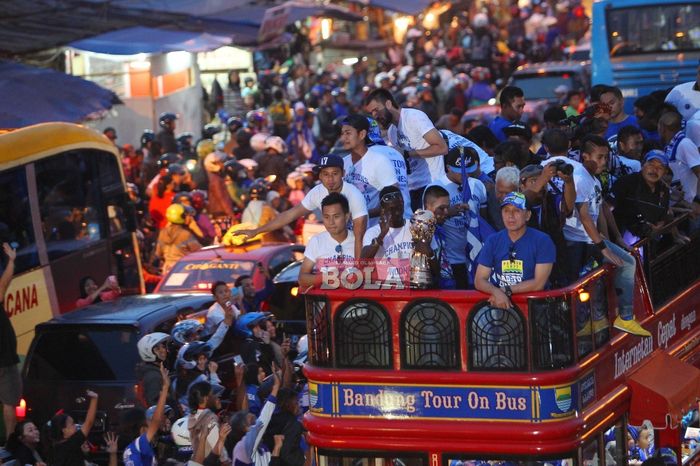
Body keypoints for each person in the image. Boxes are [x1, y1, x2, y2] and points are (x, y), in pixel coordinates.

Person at [558, 135, 651, 337]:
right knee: (580, 283)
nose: (603, 162)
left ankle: (614, 318)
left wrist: (616, 238)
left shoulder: (593, 179)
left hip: (591, 239)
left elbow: (602, 209)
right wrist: (603, 247)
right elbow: (584, 216)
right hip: (576, 242)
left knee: (616, 267)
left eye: (606, 157)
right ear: (585, 156)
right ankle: (598, 322)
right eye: (599, 157)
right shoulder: (580, 178)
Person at [237, 155, 368, 258]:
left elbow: (359, 237)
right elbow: (289, 215)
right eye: (325, 174)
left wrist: (357, 269)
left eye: (335, 173)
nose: (330, 179)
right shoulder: (318, 191)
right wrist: (256, 231)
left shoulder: (353, 195)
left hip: (359, 245)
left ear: (343, 173)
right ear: (320, 176)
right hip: (336, 244)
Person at [364, 88, 448, 211]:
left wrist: (408, 153)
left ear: (388, 104)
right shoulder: (392, 131)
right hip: (412, 189)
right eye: (371, 113)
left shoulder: (414, 117)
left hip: (432, 186)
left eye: (376, 110)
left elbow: (442, 147)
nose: (375, 115)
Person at [474, 192, 556, 309]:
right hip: (502, 306)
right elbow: (479, 280)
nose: (510, 216)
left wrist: (504, 291)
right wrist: (496, 292)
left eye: (516, 210)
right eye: (506, 210)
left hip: (534, 307)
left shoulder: (542, 241)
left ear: (527, 215)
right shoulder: (493, 240)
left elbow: (538, 283)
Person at [340, 115, 400, 222]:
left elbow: (394, 201)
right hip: (348, 233)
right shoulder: (343, 162)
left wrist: (361, 215)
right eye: (342, 133)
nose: (343, 138)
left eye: (348, 133)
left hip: (373, 231)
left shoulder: (380, 161)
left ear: (362, 134)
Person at [612, 151, 677, 245]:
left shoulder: (664, 189)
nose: (654, 170)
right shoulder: (625, 183)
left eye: (660, 167)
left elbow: (663, 215)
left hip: (650, 242)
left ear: (665, 172)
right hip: (622, 241)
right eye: (651, 164)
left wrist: (661, 224)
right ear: (642, 164)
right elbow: (609, 210)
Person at [298, 193, 356, 288]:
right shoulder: (317, 241)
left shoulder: (359, 240)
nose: (331, 222)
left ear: (346, 217)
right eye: (326, 217)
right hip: (327, 301)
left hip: (354, 301)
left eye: (336, 216)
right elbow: (302, 279)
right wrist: (327, 278)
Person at [228, 372, 281, 466]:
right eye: (253, 422)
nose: (257, 422)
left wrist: (276, 449)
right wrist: (275, 388)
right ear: (245, 428)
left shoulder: (262, 446)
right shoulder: (244, 446)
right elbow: (264, 418)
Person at [122, 364, 170, 466]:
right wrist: (165, 388)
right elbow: (156, 421)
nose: (151, 423)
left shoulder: (129, 449)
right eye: (148, 422)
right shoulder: (140, 444)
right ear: (142, 429)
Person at [658, 111, 700, 208]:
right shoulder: (669, 145)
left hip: (691, 206)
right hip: (678, 204)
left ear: (663, 128)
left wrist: (697, 201)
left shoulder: (685, 144)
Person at [48, 390, 99, 466]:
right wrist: (94, 399)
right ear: (64, 431)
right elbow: (89, 423)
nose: (75, 426)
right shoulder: (71, 444)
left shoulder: (56, 447)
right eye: (72, 424)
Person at [0, 243, 19, 440]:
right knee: (9, 402)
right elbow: (2, 286)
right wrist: (12, 261)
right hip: (4, 361)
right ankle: (10, 444)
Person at [154, 204, 202, 275]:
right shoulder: (185, 234)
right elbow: (200, 252)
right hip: (183, 270)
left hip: (166, 271)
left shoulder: (162, 232)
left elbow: (158, 253)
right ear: (181, 216)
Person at [136, 332, 170, 407]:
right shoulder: (153, 376)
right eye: (157, 349)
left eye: (163, 347)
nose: (163, 350)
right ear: (147, 352)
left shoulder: (153, 370)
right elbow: (154, 405)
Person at [484, 166, 520, 231]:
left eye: (507, 193)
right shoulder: (489, 200)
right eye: (500, 192)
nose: (504, 197)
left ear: (518, 190)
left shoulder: (525, 205)